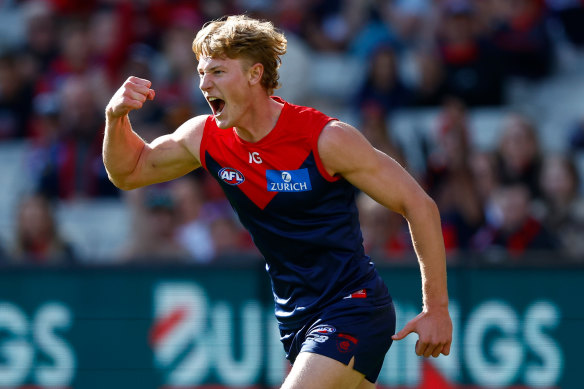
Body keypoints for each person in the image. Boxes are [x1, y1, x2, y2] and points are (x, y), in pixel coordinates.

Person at [103, 15, 452, 389]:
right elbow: (129, 172)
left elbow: (419, 204)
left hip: (354, 307)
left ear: (255, 74)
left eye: (218, 72)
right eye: (202, 73)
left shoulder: (324, 138)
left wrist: (436, 309)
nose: (204, 85)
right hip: (296, 321)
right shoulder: (205, 137)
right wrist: (115, 118)